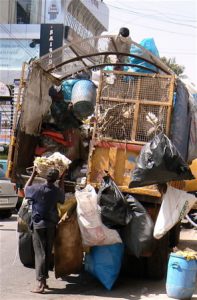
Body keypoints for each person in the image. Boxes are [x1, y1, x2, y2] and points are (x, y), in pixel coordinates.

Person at [24, 167, 65, 293]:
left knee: (40, 253)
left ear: (45, 177)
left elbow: (26, 190)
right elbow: (62, 197)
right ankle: (45, 282)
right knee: (46, 253)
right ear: (56, 179)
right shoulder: (56, 191)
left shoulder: (37, 189)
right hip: (51, 225)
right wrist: (62, 180)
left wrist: (33, 174)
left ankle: (40, 284)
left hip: (39, 225)